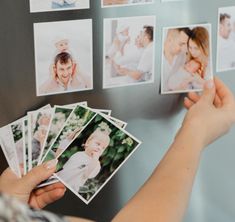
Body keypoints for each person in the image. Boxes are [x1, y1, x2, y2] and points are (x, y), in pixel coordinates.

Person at [0, 77, 235, 222]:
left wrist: (12, 205)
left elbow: (89, 174)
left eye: (101, 146)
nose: (98, 147)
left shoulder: (94, 162)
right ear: (85, 142)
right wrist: (196, 130)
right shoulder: (77, 154)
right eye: (95, 142)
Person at [56, 124, 111, 192]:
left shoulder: (95, 164)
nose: (100, 148)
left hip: (70, 188)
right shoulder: (78, 154)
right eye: (98, 144)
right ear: (87, 143)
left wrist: (94, 160)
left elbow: (87, 174)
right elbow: (66, 168)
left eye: (103, 148)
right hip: (60, 179)